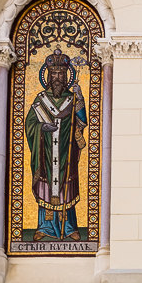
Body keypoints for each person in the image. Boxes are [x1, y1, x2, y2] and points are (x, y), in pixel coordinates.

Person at [25, 47, 87, 241]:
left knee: (66, 187)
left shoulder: (72, 98)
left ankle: (69, 227)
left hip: (66, 154)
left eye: (61, 73)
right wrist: (42, 128)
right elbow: (30, 124)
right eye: (54, 74)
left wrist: (81, 99)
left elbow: (82, 121)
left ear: (67, 75)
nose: (58, 77)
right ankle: (45, 227)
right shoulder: (40, 100)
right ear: (49, 76)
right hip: (44, 152)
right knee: (46, 187)